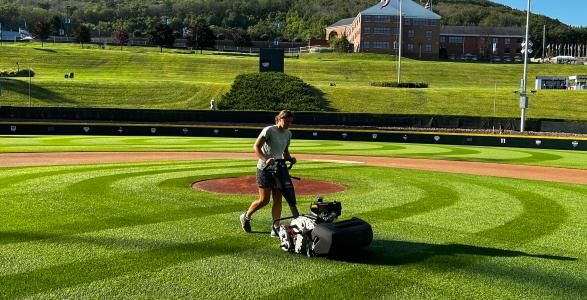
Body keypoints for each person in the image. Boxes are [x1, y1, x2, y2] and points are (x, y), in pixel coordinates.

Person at [240, 110, 296, 237]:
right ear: (279, 119)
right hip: (264, 169)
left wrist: (290, 158)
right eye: (286, 121)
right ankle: (246, 216)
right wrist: (266, 160)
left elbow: (285, 152)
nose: (288, 124)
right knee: (264, 200)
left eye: (290, 122)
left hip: (278, 170)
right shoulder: (269, 130)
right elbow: (256, 147)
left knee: (278, 200)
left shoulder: (288, 134)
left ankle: (275, 227)